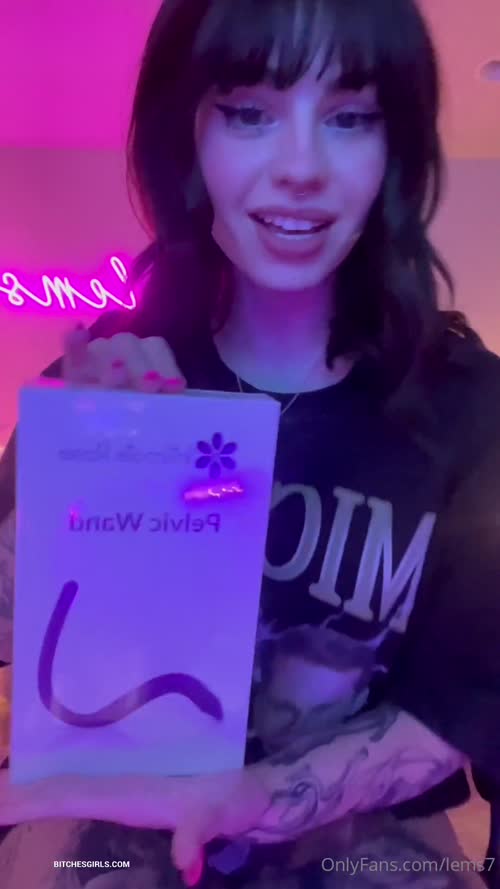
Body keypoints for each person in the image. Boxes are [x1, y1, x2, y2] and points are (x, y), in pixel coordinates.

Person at [0, 0, 499, 886]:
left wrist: (256, 796)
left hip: (362, 848)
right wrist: (70, 477)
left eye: (349, 118)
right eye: (248, 113)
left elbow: (459, 702)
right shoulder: (114, 377)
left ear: (395, 149)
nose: (300, 168)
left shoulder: (473, 409)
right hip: (115, 829)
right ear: (187, 135)